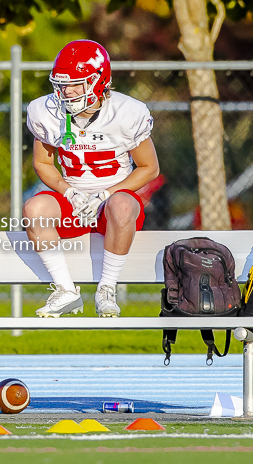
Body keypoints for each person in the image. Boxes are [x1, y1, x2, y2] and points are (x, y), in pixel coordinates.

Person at [23, 40, 159, 318]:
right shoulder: (45, 111)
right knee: (33, 209)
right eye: (61, 83)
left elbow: (149, 168)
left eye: (76, 83)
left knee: (121, 205)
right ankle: (65, 290)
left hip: (114, 203)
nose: (66, 91)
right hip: (73, 199)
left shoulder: (126, 112)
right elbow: (42, 163)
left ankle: (106, 289)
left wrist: (106, 194)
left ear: (99, 81)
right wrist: (69, 191)